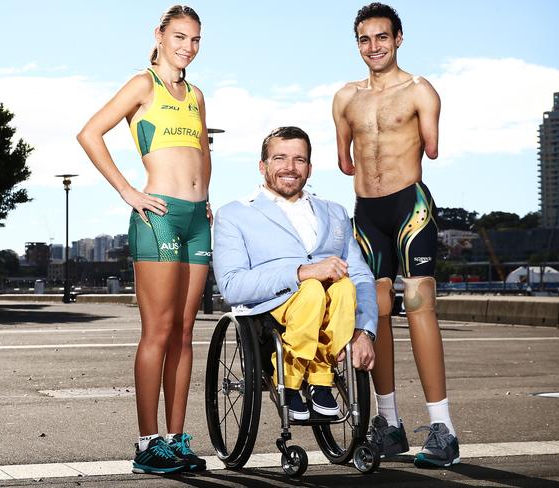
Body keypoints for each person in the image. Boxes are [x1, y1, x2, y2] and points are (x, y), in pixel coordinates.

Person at [77, 5, 210, 475]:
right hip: (159, 216)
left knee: (186, 332)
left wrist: (206, 197)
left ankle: (175, 441)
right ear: (159, 35)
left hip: (197, 219)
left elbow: (202, 151)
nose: (187, 47)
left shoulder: (195, 94)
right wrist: (128, 191)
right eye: (179, 36)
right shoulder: (143, 84)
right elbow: (89, 133)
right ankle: (147, 443)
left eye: (194, 39)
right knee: (158, 330)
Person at [332, 3, 459, 468]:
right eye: (364, 40)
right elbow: (345, 163)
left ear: (399, 38)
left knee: (421, 304)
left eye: (381, 37)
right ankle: (389, 424)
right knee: (376, 310)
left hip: (410, 206)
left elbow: (433, 148)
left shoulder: (421, 90)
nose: (373, 47)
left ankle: (443, 428)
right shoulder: (344, 97)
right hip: (366, 213)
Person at [213, 126, 378, 421]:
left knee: (344, 287)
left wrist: (365, 332)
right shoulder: (235, 214)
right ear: (262, 166)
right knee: (313, 288)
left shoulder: (335, 212)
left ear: (310, 168)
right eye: (280, 158)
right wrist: (302, 273)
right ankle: (289, 379)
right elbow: (231, 285)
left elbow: (363, 277)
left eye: (299, 160)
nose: (289, 168)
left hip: (332, 308)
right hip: (273, 311)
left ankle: (320, 379)